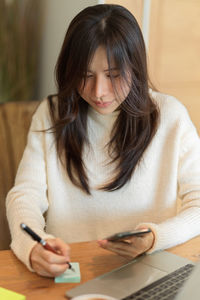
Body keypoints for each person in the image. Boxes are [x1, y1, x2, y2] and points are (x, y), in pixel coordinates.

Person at [6, 4, 200, 278]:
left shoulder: (171, 117)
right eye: (85, 76)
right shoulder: (51, 115)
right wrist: (33, 245)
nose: (99, 92)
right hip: (70, 273)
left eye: (113, 75)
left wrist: (155, 237)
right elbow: (25, 194)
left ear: (135, 67)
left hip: (147, 274)